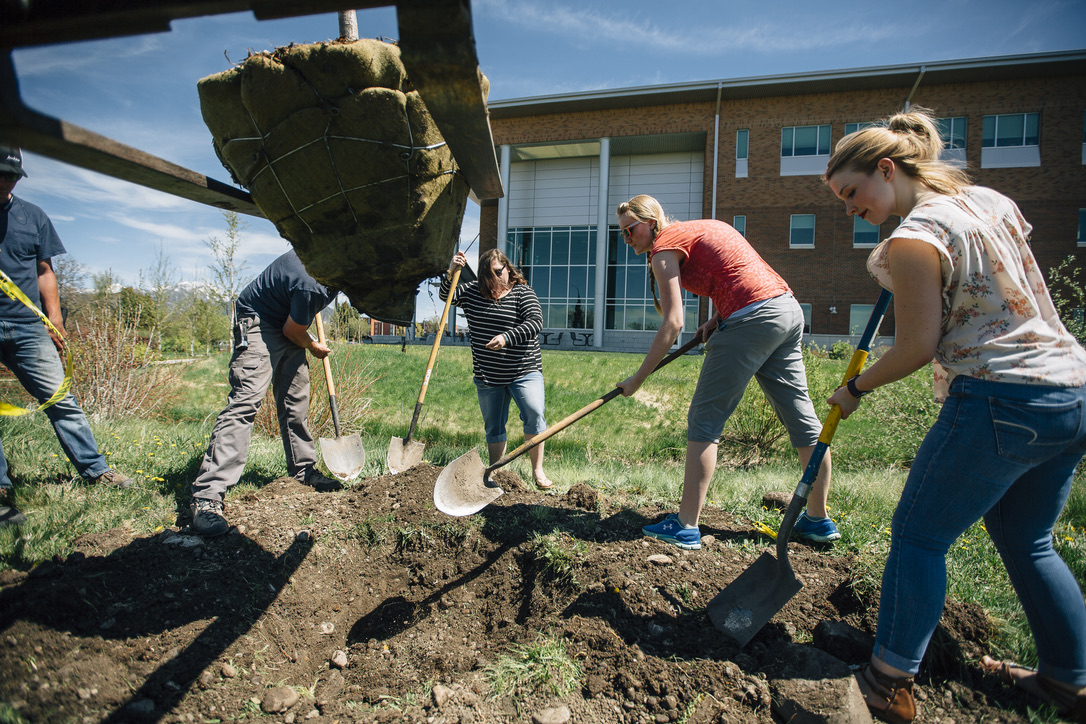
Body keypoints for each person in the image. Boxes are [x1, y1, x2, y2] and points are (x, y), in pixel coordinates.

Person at [823, 107, 1086, 724]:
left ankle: (886, 685)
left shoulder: (914, 238)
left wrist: (854, 387)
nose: (850, 209)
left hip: (1001, 396)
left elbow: (915, 347)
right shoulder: (988, 202)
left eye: (853, 193)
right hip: (1072, 389)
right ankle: (1069, 683)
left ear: (887, 168)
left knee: (918, 534)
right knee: (1030, 539)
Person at [616, 194, 834, 550]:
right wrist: (718, 318)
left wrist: (638, 379)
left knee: (705, 420)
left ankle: (685, 525)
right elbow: (735, 271)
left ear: (651, 224)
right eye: (622, 234)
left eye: (630, 231)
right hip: (786, 310)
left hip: (752, 318)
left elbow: (672, 323)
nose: (627, 240)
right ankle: (818, 519)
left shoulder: (664, 248)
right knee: (803, 420)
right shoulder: (699, 228)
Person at [0, 147, 133, 528]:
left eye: (11, 176)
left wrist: (54, 318)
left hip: (28, 326)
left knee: (62, 399)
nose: (4, 182)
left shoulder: (32, 217)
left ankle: (96, 470)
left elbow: (44, 270)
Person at [190, 249, 341, 537]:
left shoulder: (335, 269)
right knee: (245, 402)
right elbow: (293, 329)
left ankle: (303, 471)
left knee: (296, 400)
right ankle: (207, 495)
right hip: (259, 322)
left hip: (287, 320)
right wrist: (311, 345)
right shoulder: (311, 282)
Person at [441, 248, 553, 489]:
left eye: (499, 272)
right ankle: (494, 473)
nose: (496, 279)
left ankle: (537, 470)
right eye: (489, 275)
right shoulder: (472, 292)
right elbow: (446, 295)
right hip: (488, 375)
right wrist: (452, 271)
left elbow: (535, 322)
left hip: (524, 370)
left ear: (508, 269)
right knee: (493, 425)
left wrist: (506, 337)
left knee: (534, 413)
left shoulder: (522, 292)